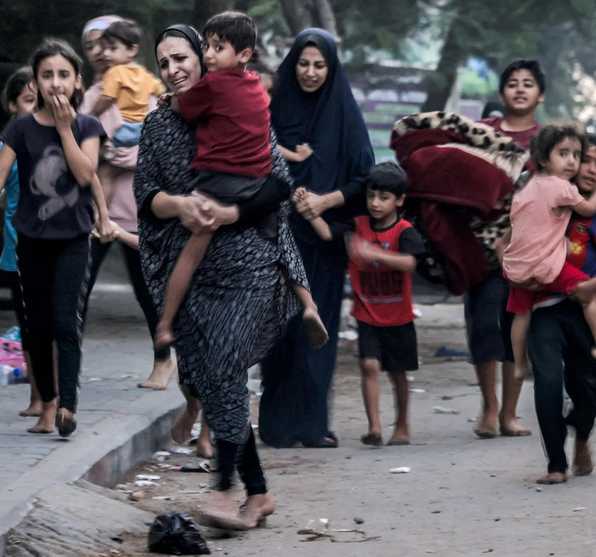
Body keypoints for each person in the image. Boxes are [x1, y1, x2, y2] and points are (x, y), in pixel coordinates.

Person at [136, 23, 305, 529]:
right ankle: (257, 494)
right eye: (164, 63)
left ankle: (223, 490)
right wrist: (179, 204)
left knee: (226, 367)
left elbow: (280, 183)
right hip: (189, 270)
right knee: (218, 380)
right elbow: (145, 198)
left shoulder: (243, 104)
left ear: (205, 58)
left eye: (182, 57)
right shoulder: (159, 125)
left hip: (248, 262)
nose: (175, 69)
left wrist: (231, 214)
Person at [154, 12, 327, 352]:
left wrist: (169, 101)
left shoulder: (213, 85)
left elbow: (186, 109)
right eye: (206, 46)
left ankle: (163, 324)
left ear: (244, 55)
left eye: (218, 48)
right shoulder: (256, 87)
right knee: (283, 244)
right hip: (258, 180)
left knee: (190, 254)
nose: (209, 55)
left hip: (220, 182)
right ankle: (309, 304)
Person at [0, 39, 111, 438]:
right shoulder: (21, 127)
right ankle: (46, 405)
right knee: (38, 326)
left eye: (63, 75)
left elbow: (86, 175)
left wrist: (65, 129)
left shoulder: (87, 126)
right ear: (35, 81)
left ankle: (68, 405)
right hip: (29, 238)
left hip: (72, 238)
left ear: (77, 81)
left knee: (67, 323)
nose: (55, 83)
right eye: (47, 75)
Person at [260, 28, 375, 449]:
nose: (310, 72)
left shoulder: (343, 113)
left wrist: (324, 202)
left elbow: (365, 176)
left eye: (319, 65)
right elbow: (254, 161)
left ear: (331, 68)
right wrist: (288, 196)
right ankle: (275, 424)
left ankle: (311, 424)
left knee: (316, 331)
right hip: (274, 238)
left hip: (322, 243)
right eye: (303, 64)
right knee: (280, 334)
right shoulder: (272, 108)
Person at [525, 133, 596, 484]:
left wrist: (591, 286)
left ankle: (583, 437)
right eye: (582, 159)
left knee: (586, 393)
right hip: (544, 309)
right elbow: (508, 243)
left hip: (582, 312)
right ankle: (556, 465)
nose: (589, 168)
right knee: (546, 382)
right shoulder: (546, 200)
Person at [79, 15, 179, 394]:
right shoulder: (93, 95)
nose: (100, 53)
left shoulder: (149, 91)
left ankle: (163, 362)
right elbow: (76, 142)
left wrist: (122, 156)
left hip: (139, 212)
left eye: (107, 45)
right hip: (93, 214)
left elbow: (162, 148)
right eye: (93, 47)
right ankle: (65, 367)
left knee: (148, 291)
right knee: (78, 290)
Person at [465, 59, 545, 439]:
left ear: (540, 95)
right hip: (480, 249)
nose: (519, 89)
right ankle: (489, 408)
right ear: (501, 93)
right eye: (512, 83)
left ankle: (509, 414)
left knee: (517, 330)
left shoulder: (547, 141)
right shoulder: (480, 133)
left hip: (528, 251)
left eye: (528, 83)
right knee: (482, 326)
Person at [503, 124, 596, 379]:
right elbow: (587, 209)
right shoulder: (562, 187)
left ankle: (519, 365)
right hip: (545, 268)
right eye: (563, 154)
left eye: (576, 155)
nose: (572, 162)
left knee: (521, 315)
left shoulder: (525, 189)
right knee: (588, 293)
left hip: (516, 268)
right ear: (543, 158)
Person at [347, 162, 425, 446]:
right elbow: (327, 233)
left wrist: (371, 252)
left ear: (400, 200)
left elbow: (410, 263)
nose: (375, 203)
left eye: (384, 197)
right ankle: (375, 428)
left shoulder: (404, 231)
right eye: (371, 196)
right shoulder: (358, 225)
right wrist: (311, 210)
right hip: (366, 313)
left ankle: (402, 425)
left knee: (398, 373)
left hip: (398, 317)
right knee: (368, 365)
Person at [0, 67, 40, 417]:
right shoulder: (6, 147)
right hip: (19, 250)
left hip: (57, 247)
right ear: (13, 106)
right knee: (28, 324)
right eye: (28, 101)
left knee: (56, 323)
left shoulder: (63, 139)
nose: (36, 107)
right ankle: (36, 394)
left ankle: (57, 393)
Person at [89, 19, 165, 150]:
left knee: (99, 149)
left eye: (113, 48)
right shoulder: (146, 75)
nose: (106, 53)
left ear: (132, 50)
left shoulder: (114, 72)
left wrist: (92, 113)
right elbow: (161, 91)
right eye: (104, 48)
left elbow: (107, 97)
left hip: (122, 130)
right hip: (142, 129)